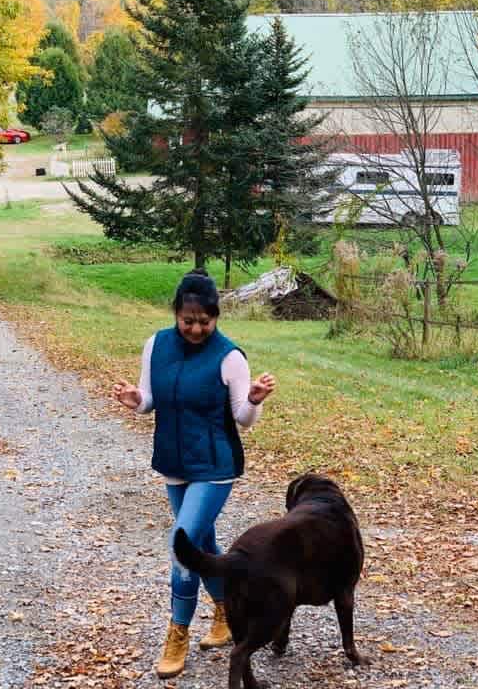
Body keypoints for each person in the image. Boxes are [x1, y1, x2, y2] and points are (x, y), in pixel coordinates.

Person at [113, 268, 276, 679]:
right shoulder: (156, 345)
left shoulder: (230, 356)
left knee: (181, 545)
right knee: (203, 541)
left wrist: (254, 400)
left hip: (215, 466)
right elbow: (151, 399)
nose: (197, 329)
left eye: (206, 321)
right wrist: (137, 400)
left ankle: (177, 632)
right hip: (174, 463)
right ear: (176, 315)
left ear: (216, 317)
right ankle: (225, 613)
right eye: (189, 321)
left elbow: (243, 418)